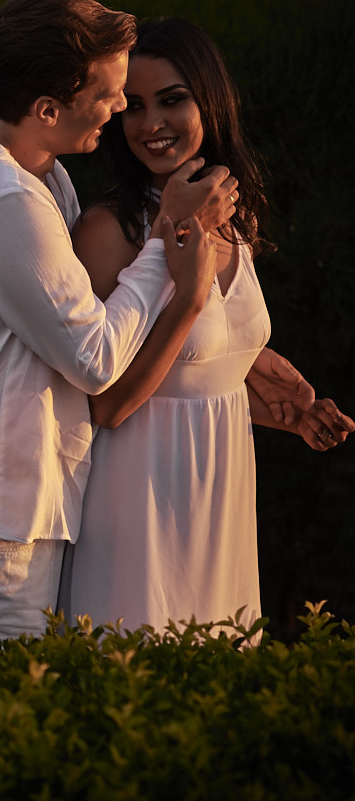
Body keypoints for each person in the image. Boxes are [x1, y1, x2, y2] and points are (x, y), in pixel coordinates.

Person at [0, 0, 239, 640]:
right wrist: (165, 240)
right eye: (111, 94)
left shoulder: (41, 176)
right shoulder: (3, 200)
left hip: (19, 522)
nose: (119, 109)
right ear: (49, 110)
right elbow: (93, 356)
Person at [61, 17, 354, 635]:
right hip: (137, 504)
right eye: (133, 107)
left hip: (219, 496)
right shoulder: (109, 232)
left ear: (211, 102)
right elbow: (109, 404)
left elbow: (193, 369)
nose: (150, 124)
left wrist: (265, 397)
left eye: (172, 100)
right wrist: (185, 285)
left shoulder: (233, 219)